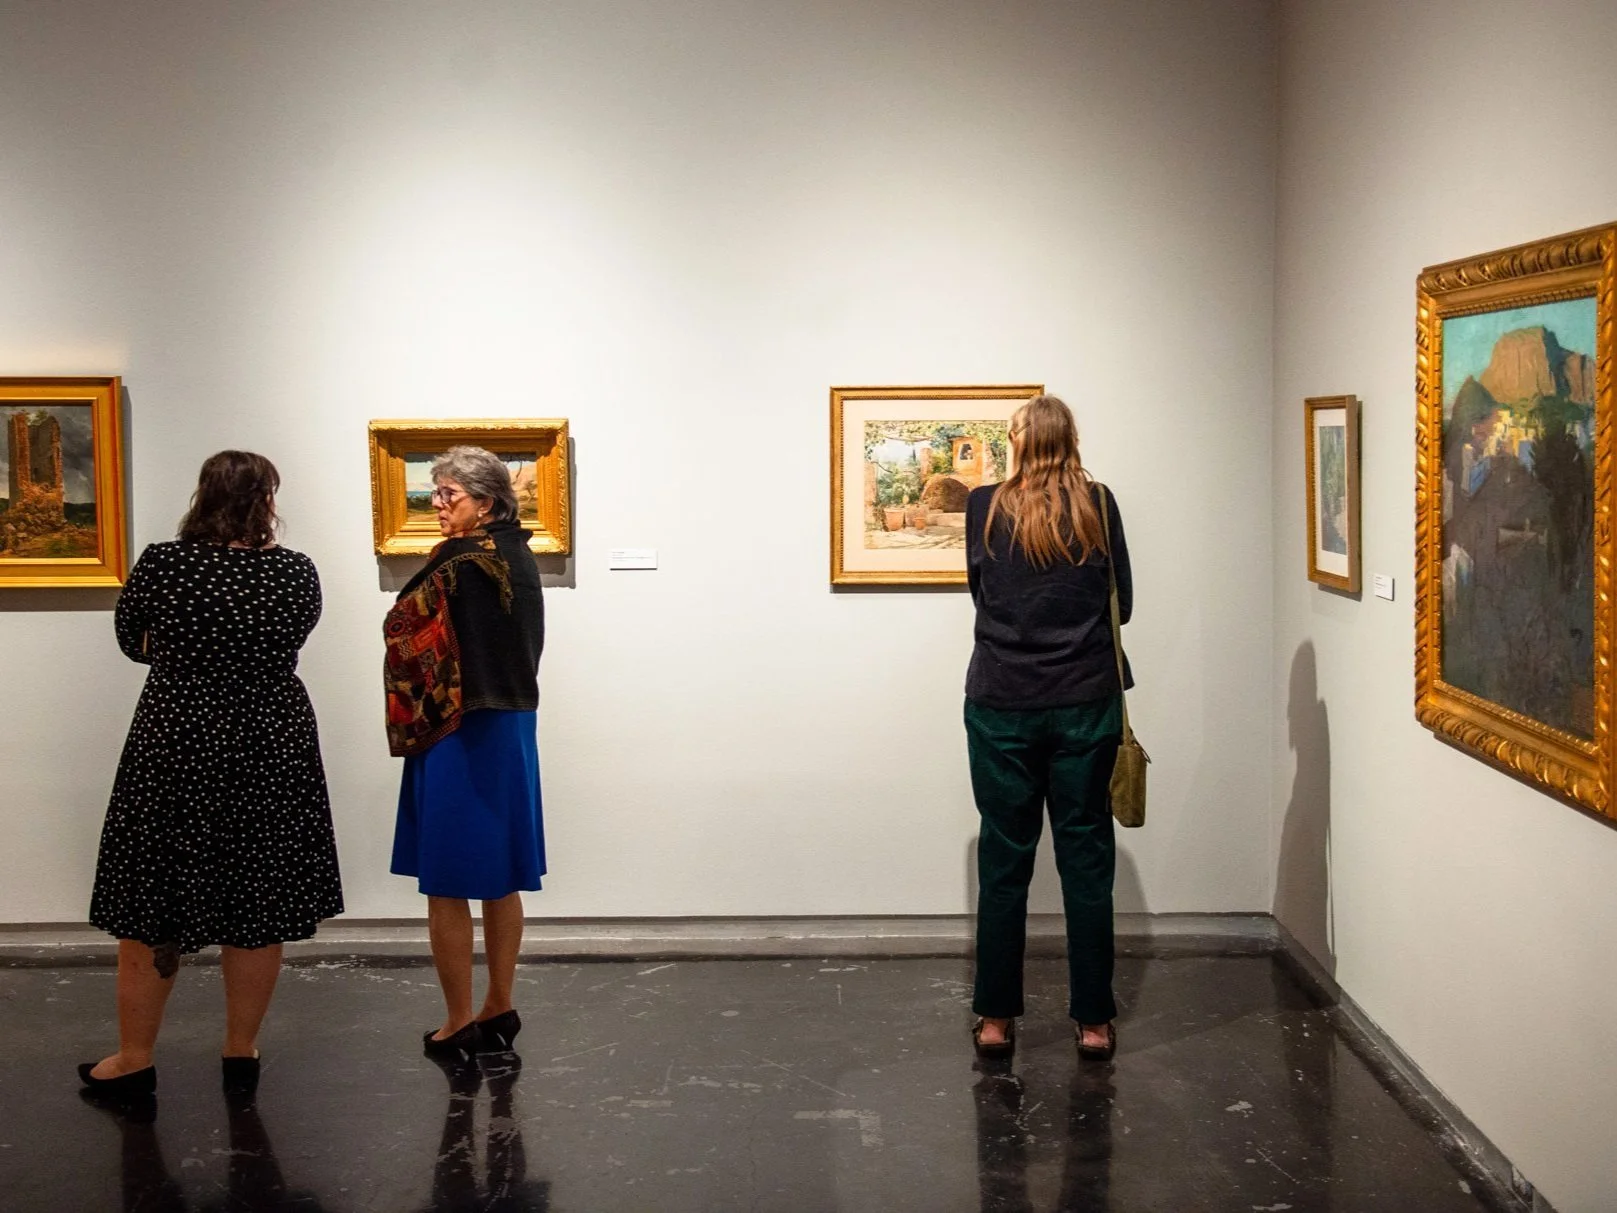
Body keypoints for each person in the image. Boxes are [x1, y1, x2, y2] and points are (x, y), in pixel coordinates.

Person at [81, 451, 344, 1099]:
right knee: (258, 900)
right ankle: (239, 1048)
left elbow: (129, 639)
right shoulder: (293, 572)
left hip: (178, 737)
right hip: (269, 739)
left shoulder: (164, 564)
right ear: (267, 500)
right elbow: (296, 634)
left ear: (203, 494)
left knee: (152, 897)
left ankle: (134, 1057)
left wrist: (185, 656)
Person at [964, 395, 1131, 1062]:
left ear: (1016, 441)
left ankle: (996, 1019)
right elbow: (1126, 598)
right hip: (1084, 700)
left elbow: (980, 592)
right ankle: (1092, 1021)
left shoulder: (982, 505)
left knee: (1004, 861)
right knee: (1085, 861)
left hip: (1001, 698)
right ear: (1070, 438)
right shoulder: (1099, 502)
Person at [386, 446, 545, 1061]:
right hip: (509, 727)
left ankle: (456, 1021)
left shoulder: (458, 561)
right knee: (502, 876)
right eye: (436, 490)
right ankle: (498, 1004)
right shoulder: (518, 556)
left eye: (448, 493)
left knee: (448, 883)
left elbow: (403, 630)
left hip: (456, 729)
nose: (437, 502)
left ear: (484, 503)